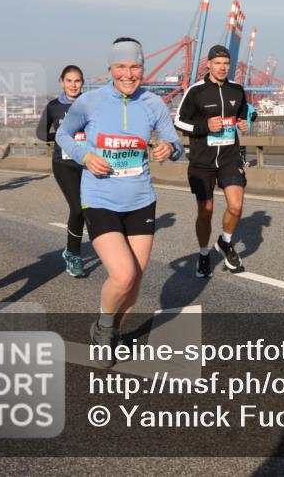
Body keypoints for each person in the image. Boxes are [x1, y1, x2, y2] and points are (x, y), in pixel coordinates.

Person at [55, 37, 183, 366]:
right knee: (123, 274)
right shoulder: (90, 101)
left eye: (135, 66)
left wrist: (169, 148)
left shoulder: (153, 104)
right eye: (122, 66)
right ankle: (104, 326)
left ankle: (110, 332)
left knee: (136, 279)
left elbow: (174, 141)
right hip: (100, 198)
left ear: (143, 68)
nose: (129, 74)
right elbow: (63, 135)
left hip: (141, 199)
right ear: (110, 69)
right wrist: (85, 157)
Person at [174, 45, 249, 277]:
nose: (222, 67)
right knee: (206, 211)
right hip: (202, 160)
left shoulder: (237, 90)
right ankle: (204, 253)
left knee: (236, 206)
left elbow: (243, 113)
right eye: (218, 63)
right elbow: (179, 121)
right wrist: (204, 127)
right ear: (208, 64)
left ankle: (225, 241)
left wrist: (244, 122)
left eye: (226, 64)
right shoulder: (196, 91)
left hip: (229, 156)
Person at [36, 65, 89, 277]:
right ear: (62, 82)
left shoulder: (91, 103)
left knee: (93, 209)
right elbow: (41, 133)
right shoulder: (54, 106)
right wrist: (61, 139)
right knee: (77, 209)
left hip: (88, 162)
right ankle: (74, 254)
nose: (73, 85)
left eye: (77, 81)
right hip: (64, 164)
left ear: (82, 82)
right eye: (69, 81)